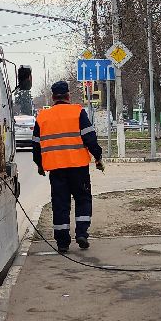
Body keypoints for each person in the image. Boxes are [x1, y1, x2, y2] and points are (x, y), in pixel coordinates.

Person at [33, 79, 105, 253]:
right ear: (68, 96)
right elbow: (90, 138)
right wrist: (98, 157)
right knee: (83, 199)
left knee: (60, 204)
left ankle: (62, 243)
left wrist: (40, 165)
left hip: (56, 169)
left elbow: (36, 145)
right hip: (78, 167)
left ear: (52, 97)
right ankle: (81, 233)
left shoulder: (42, 116)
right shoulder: (78, 112)